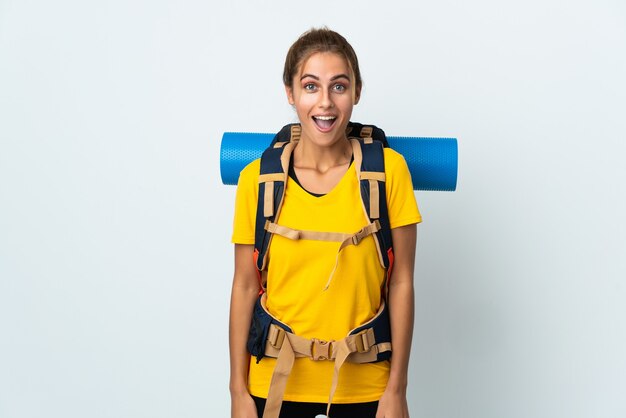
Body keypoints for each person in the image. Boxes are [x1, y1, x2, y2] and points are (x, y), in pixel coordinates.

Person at [229, 27, 421, 418]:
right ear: (290, 93)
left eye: (339, 86)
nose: (325, 103)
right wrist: (238, 392)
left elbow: (401, 282)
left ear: (357, 92)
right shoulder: (258, 180)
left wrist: (396, 389)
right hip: (274, 386)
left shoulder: (388, 172)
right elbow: (245, 286)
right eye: (311, 86)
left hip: (366, 387)